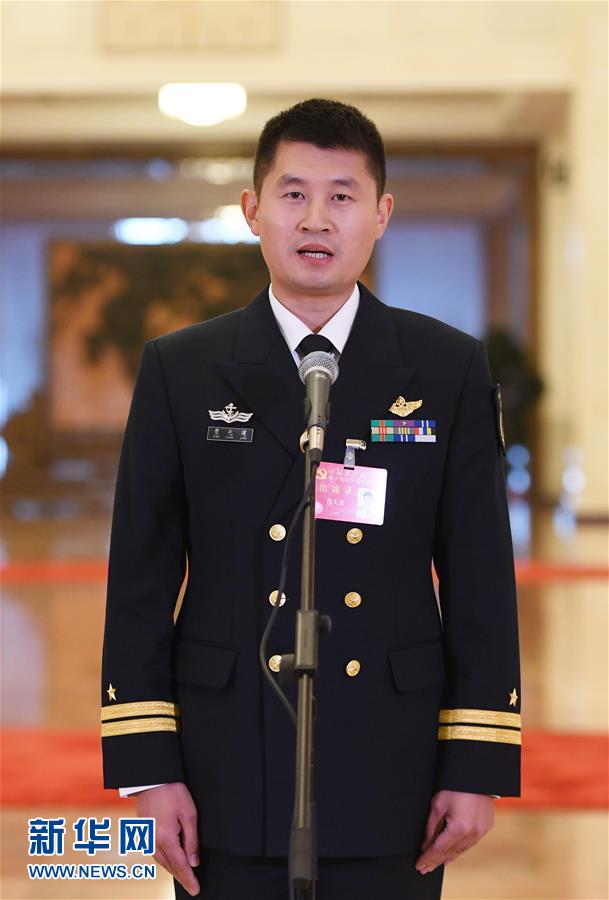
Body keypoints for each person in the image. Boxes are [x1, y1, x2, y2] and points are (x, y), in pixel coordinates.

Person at [101, 98, 520, 900]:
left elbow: (479, 578)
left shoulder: (444, 369)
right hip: (224, 758)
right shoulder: (181, 370)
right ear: (252, 210)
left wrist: (476, 762)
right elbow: (140, 583)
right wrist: (148, 769)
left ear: (380, 214)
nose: (316, 219)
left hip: (391, 759)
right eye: (292, 194)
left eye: (342, 196)